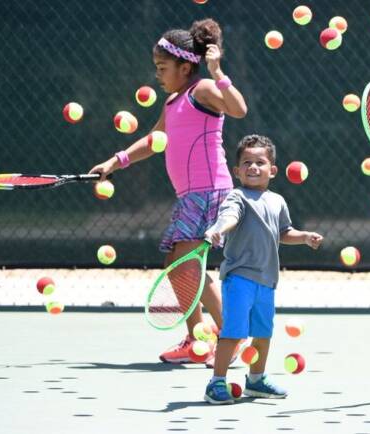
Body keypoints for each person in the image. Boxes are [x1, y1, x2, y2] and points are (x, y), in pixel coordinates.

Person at [89, 18, 248, 364]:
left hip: (210, 191)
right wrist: (114, 163)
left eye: (163, 67)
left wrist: (218, 70)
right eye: (156, 68)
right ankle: (197, 338)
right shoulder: (172, 101)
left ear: (185, 66)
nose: (158, 75)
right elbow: (153, 141)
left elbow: (238, 108)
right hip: (191, 195)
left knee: (185, 264)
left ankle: (232, 334)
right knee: (177, 264)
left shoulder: (202, 90)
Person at [202, 134, 323, 404]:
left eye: (260, 162)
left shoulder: (277, 201)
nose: (253, 167)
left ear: (273, 170)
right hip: (239, 279)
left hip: (267, 281)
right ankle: (216, 382)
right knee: (233, 333)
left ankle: (256, 380)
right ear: (237, 171)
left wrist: (303, 237)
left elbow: (283, 232)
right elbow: (229, 217)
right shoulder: (237, 196)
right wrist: (218, 231)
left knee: (263, 333)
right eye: (246, 162)